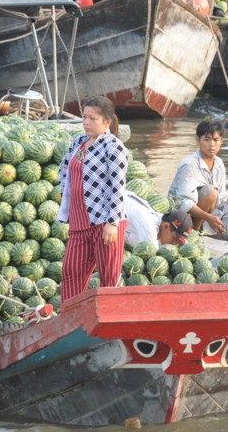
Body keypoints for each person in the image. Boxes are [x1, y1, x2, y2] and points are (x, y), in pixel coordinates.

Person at [56, 96, 129, 301]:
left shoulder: (113, 147)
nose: (86, 122)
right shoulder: (78, 143)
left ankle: (112, 324)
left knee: (109, 278)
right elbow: (64, 170)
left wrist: (112, 223)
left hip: (105, 221)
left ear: (107, 122)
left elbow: (118, 187)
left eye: (93, 118)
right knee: (71, 274)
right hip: (79, 223)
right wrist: (67, 195)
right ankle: (71, 319)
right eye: (84, 117)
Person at [168, 120, 227, 233]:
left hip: (205, 215)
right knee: (211, 193)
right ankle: (193, 234)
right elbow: (183, 203)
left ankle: (199, 231)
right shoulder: (189, 164)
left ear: (221, 141)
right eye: (207, 139)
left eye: (215, 140)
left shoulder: (219, 163)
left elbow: (222, 199)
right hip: (178, 216)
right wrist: (209, 218)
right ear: (197, 140)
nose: (212, 145)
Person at [124, 193, 192, 248]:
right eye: (174, 238)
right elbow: (153, 254)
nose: (174, 244)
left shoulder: (157, 219)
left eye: (178, 241)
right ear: (165, 226)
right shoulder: (149, 226)